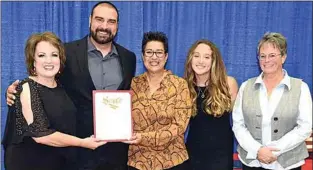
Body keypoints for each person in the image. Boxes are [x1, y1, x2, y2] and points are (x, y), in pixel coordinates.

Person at [6, 1, 137, 170]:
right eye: (99, 19)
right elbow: (44, 84)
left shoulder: (129, 58)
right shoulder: (65, 52)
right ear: (90, 20)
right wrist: (14, 93)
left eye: (111, 21)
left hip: (115, 150)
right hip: (75, 149)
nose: (104, 26)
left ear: (117, 26)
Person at [2, 32, 106, 170]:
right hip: (30, 163)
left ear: (60, 59)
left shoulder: (62, 87)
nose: (49, 61)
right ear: (33, 60)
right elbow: (41, 135)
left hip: (59, 162)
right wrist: (83, 143)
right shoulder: (27, 87)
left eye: (54, 55)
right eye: (41, 55)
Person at [232, 32, 312, 170]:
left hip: (288, 164)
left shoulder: (301, 88)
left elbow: (305, 127)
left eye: (272, 55)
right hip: (252, 163)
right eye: (262, 56)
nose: (266, 60)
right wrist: (257, 150)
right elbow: (238, 125)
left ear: (284, 57)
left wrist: (275, 150)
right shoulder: (246, 87)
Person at [124, 31, 192, 170]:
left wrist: (143, 138)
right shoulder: (132, 84)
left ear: (166, 56)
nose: (154, 57)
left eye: (159, 52)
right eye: (149, 52)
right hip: (138, 161)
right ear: (143, 56)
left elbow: (179, 127)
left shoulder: (179, 85)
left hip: (172, 161)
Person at [183, 39, 238, 170]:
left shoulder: (228, 84)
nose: (200, 61)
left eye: (207, 57)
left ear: (214, 61)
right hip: (193, 155)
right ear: (190, 59)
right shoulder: (184, 86)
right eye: (196, 56)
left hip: (220, 157)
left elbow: (239, 122)